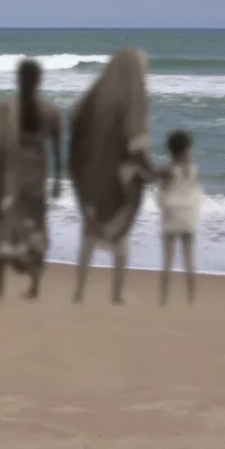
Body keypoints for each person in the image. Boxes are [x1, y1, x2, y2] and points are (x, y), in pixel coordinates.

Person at [70, 48, 154, 305]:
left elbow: (75, 123)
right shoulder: (131, 98)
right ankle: (117, 293)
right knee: (120, 236)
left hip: (90, 175)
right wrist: (148, 170)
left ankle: (79, 291)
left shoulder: (95, 96)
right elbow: (136, 140)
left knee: (89, 233)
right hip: (116, 178)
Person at [0, 58, 63, 301]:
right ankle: (34, 287)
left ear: (17, 79)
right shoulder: (51, 111)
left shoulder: (4, 109)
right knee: (35, 230)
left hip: (11, 177)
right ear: (40, 80)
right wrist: (58, 180)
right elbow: (57, 150)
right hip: (36, 177)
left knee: (2, 228)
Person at [157, 130, 203, 306]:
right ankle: (192, 298)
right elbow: (195, 191)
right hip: (188, 218)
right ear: (186, 150)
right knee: (189, 261)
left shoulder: (168, 170)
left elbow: (162, 190)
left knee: (168, 261)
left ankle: (164, 300)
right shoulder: (193, 170)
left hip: (171, 218)